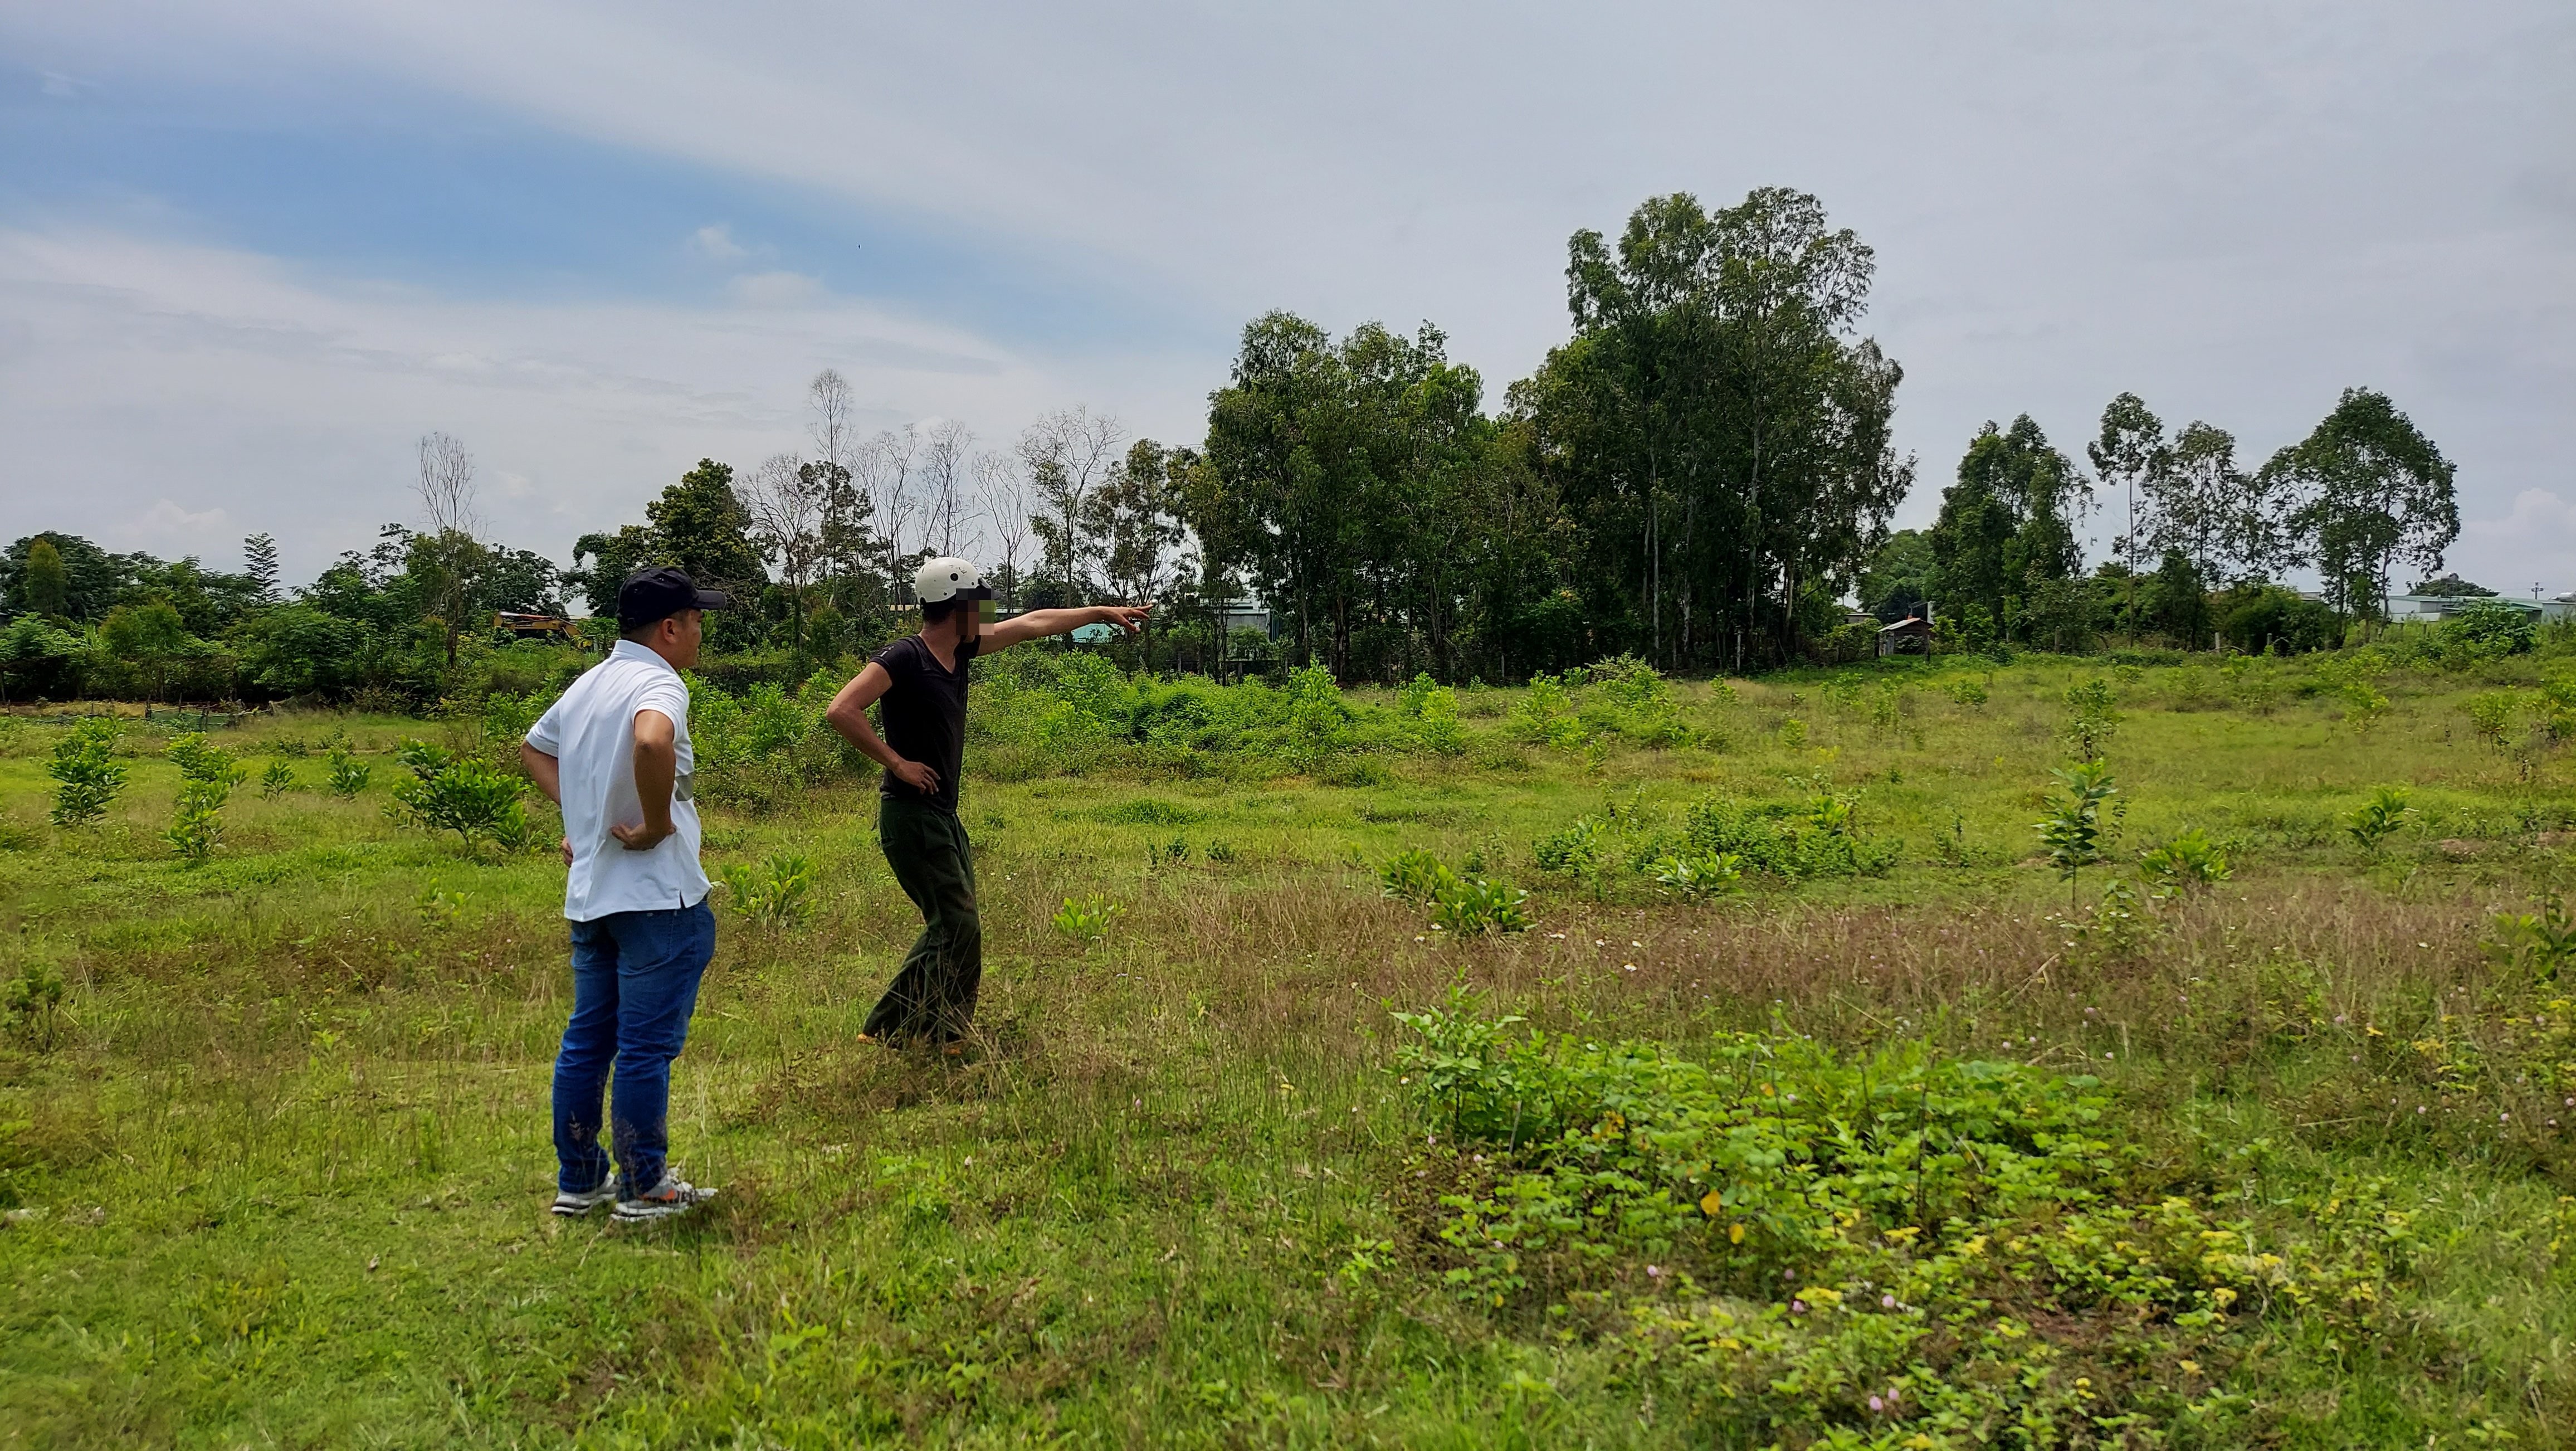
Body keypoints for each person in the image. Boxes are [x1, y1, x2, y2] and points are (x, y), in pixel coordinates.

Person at [824, 557, 1146, 1049]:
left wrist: (1099, 611)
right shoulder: (906, 657)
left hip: (941, 815)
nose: (988, 611)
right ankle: (941, 1033)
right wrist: (897, 762)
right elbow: (842, 709)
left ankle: (888, 1028)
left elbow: (1033, 624)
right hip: (910, 814)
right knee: (958, 925)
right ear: (958, 608)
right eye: (980, 602)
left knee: (950, 925)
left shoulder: (963, 648)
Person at [521, 566, 730, 1223]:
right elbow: (651, 739)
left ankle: (581, 1181)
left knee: (588, 1041)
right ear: (670, 628)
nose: (701, 633)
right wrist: (658, 823)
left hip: (593, 900)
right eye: (697, 621)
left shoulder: (590, 683)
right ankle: (645, 1187)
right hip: (655, 899)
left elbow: (534, 749)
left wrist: (580, 820)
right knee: (644, 1048)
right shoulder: (656, 683)